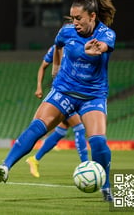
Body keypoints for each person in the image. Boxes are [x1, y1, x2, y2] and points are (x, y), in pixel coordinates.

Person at [0, 0, 116, 202]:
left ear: (93, 16)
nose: (75, 22)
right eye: (73, 17)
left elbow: (106, 45)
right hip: (64, 91)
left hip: (92, 95)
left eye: (79, 18)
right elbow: (58, 46)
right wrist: (55, 69)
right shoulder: (66, 31)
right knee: (37, 126)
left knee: (98, 142)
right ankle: (5, 165)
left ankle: (106, 188)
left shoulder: (105, 34)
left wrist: (98, 48)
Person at [26, 45, 88, 178]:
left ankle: (35, 159)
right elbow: (43, 66)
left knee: (61, 131)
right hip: (62, 94)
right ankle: (86, 166)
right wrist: (39, 87)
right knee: (79, 128)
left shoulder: (79, 45)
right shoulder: (56, 48)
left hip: (73, 93)